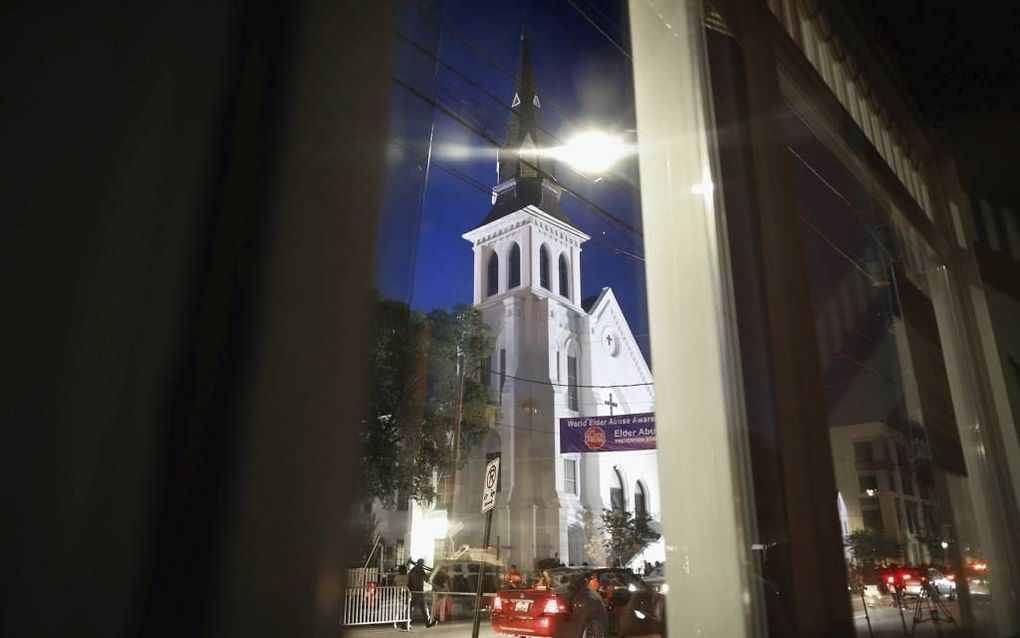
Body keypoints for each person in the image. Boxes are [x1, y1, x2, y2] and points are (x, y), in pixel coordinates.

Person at [407, 558, 435, 629]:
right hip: (419, 591)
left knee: (411, 607)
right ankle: (427, 623)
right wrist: (432, 573)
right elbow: (426, 579)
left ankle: (406, 623)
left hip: (413, 591)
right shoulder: (420, 570)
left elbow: (409, 579)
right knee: (423, 607)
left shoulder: (413, 569)